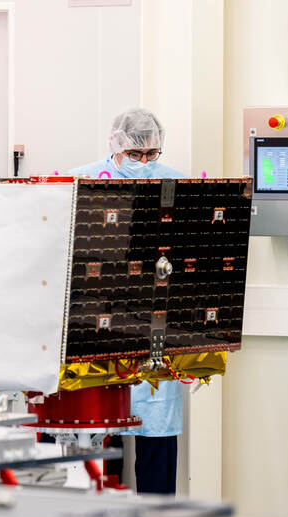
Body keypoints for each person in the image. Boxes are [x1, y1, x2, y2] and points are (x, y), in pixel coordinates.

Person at [69, 107, 184, 495]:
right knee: (101, 436)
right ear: (115, 145)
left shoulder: (173, 182)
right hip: (97, 326)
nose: (145, 163)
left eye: (152, 155)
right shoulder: (83, 180)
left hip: (153, 324)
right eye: (136, 155)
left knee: (157, 434)